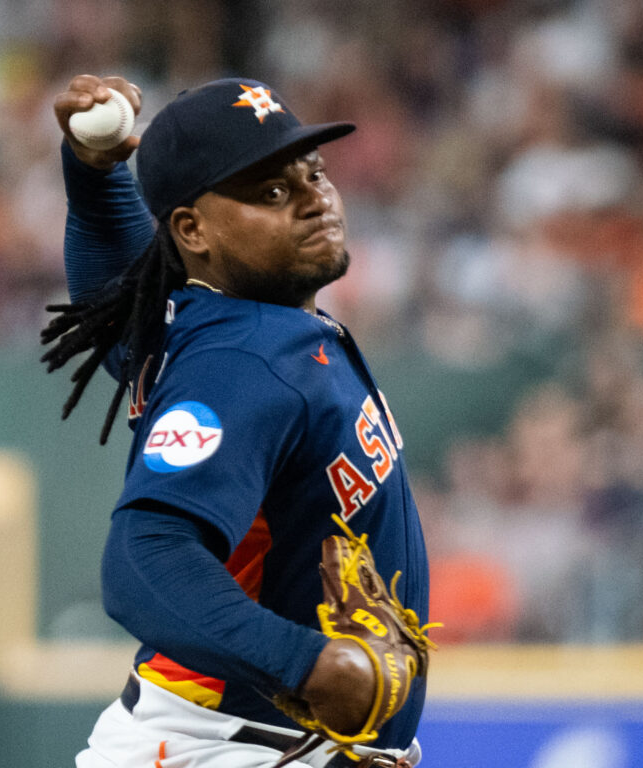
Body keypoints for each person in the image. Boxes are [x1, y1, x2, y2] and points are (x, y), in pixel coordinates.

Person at [45, 74, 432, 768]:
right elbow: (144, 557)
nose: (314, 199)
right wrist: (307, 663)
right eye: (273, 193)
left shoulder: (211, 319)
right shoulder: (243, 362)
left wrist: (94, 175)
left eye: (314, 173)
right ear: (192, 230)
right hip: (222, 749)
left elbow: (116, 291)